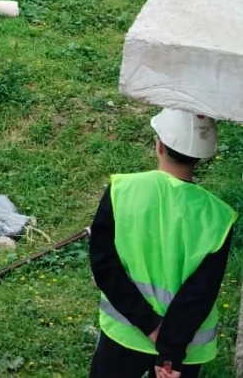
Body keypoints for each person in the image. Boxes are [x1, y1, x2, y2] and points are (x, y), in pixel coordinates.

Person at [88, 108, 236, 378]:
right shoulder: (219, 217)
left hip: (124, 335)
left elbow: (103, 264)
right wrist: (170, 350)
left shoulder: (121, 190)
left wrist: (150, 325)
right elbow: (200, 293)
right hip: (183, 351)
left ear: (159, 145)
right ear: (201, 158)